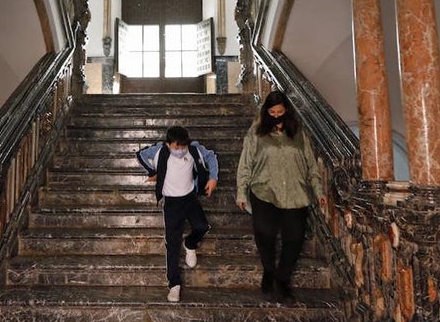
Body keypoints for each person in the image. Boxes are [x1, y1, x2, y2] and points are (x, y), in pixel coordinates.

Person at [235, 91, 326, 302]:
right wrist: (241, 191)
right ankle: (269, 269)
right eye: (273, 112)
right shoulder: (256, 133)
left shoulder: (298, 133)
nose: (276, 115)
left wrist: (318, 190)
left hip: (296, 193)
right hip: (264, 190)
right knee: (264, 232)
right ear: (267, 111)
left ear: (287, 111)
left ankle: (282, 280)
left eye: (280, 112)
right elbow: (245, 164)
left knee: (294, 238)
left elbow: (311, 164)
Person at [136, 125, 219, 303]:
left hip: (190, 198)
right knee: (172, 244)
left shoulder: (194, 149)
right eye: (176, 147)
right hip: (172, 204)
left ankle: (190, 243)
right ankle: (174, 284)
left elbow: (211, 156)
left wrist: (213, 177)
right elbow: (140, 155)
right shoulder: (159, 150)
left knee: (202, 226)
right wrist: (152, 171)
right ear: (168, 144)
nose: (180, 150)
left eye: (183, 147)